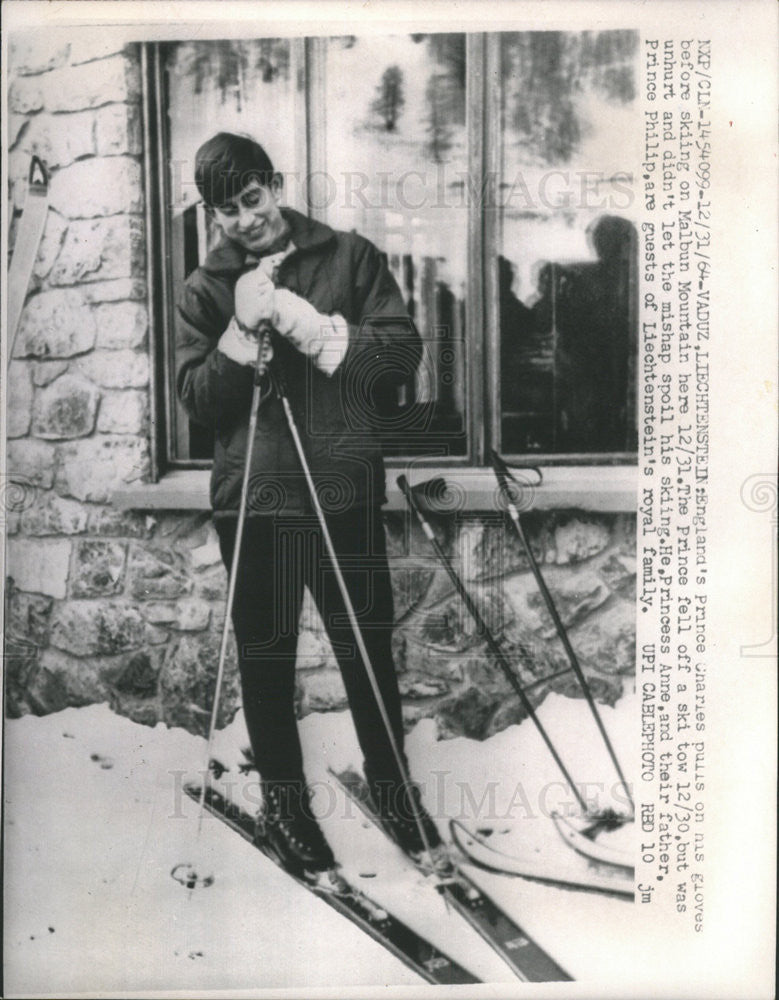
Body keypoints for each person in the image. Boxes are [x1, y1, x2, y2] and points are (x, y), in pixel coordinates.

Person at [176, 132, 441, 876]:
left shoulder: (349, 257)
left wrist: (303, 322)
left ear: (275, 185)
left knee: (366, 650)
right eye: (225, 210)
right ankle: (284, 803)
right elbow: (198, 401)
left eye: (252, 199)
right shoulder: (204, 288)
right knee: (267, 659)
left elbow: (397, 358)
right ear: (213, 213)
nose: (243, 220)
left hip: (342, 489)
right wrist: (236, 333)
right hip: (255, 502)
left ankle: (392, 791)